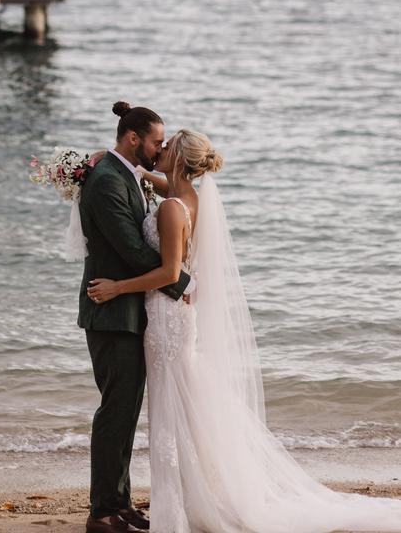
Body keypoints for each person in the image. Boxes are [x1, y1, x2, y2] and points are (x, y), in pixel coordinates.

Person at [88, 127, 401, 533]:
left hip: (165, 319)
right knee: (184, 405)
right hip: (177, 320)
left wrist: (117, 287)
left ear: (180, 160)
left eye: (166, 148)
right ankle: (197, 496)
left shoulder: (170, 209)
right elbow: (167, 205)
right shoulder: (190, 199)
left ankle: (181, 506)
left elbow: (168, 272)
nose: (159, 151)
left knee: (172, 410)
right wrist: (127, 167)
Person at [78, 102, 195, 532]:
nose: (158, 148)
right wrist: (179, 282)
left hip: (130, 313)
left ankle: (120, 501)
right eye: (155, 141)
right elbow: (131, 248)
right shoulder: (108, 180)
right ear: (133, 140)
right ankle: (102, 513)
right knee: (115, 411)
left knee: (126, 411)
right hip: (110, 312)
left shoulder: (124, 173)